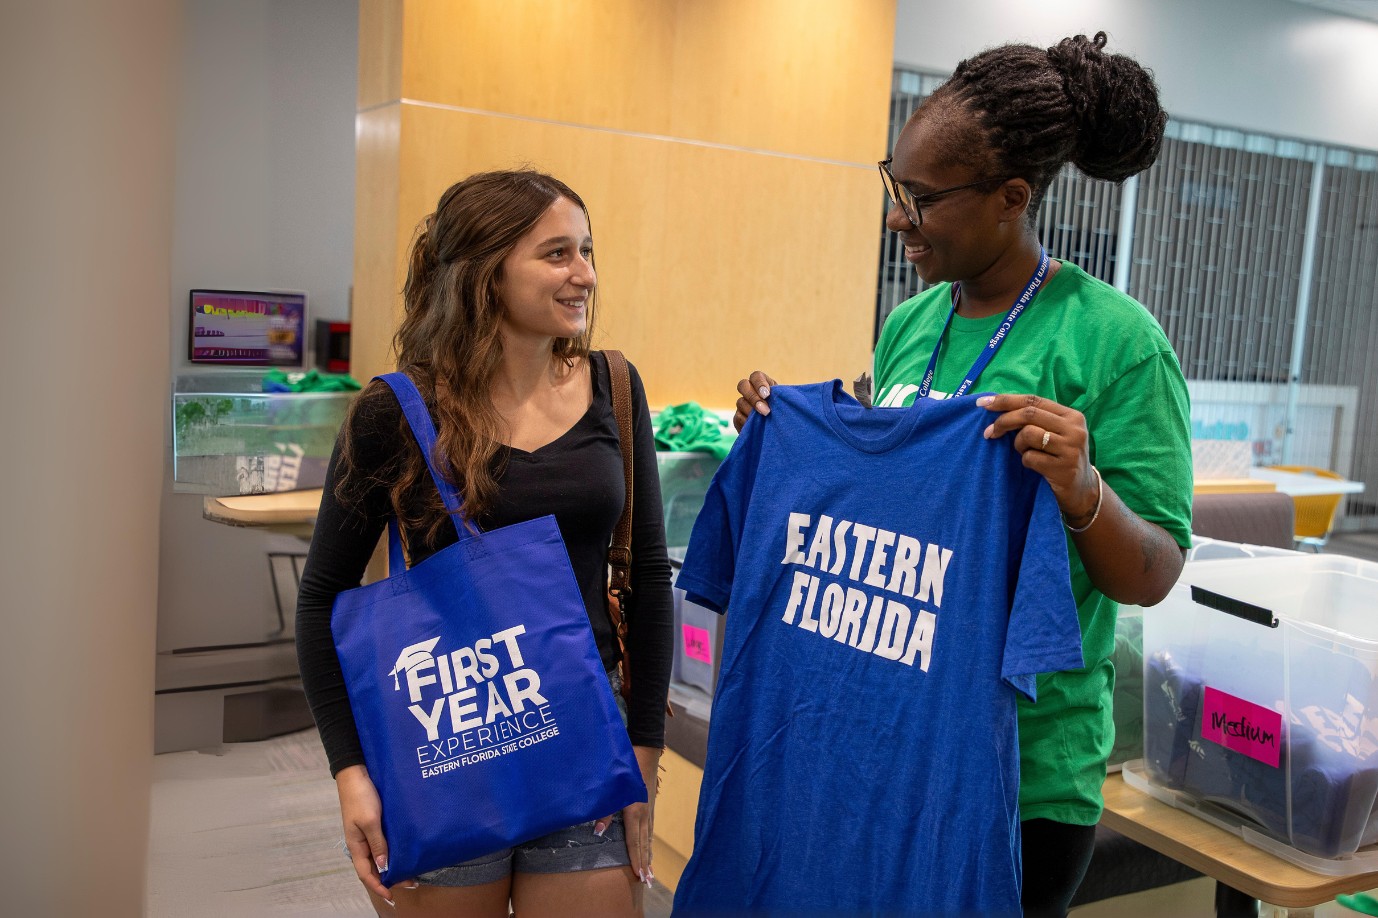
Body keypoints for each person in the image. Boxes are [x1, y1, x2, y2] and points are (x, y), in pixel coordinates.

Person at [734, 32, 1193, 917]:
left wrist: (1081, 487)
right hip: (893, 728)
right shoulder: (912, 323)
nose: (897, 218)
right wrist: (783, 433)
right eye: (892, 187)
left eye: (921, 199)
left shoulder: (1117, 343)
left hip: (1025, 765)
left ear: (1011, 198)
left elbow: (1154, 572)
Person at [295, 169, 673, 917]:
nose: (585, 275)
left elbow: (649, 580)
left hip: (582, 745)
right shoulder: (394, 411)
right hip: (442, 753)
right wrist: (350, 772)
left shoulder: (616, 388)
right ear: (485, 273)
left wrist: (644, 752)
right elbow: (321, 603)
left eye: (587, 251)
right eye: (557, 254)